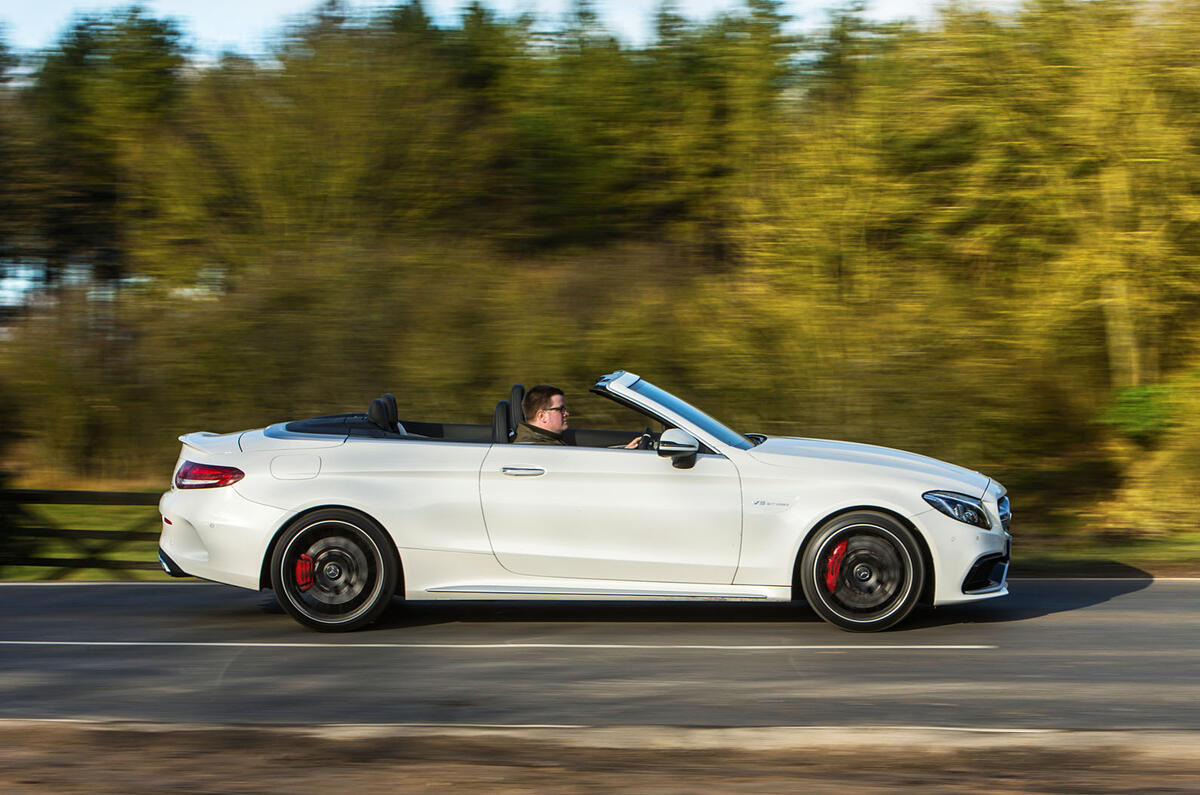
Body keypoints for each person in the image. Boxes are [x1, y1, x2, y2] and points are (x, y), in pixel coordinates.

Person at [514, 384, 645, 448]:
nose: (566, 413)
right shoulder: (537, 448)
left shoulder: (546, 441)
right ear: (542, 416)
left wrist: (624, 450)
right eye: (560, 410)